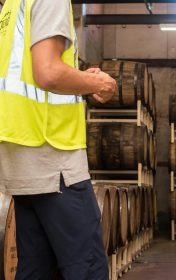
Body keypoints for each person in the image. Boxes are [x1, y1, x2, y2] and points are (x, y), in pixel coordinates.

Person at [0, 0, 117, 279]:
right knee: (86, 267)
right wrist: (100, 83)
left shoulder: (11, 7)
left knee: (36, 268)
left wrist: (78, 79)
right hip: (52, 152)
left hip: (19, 150)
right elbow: (48, 72)